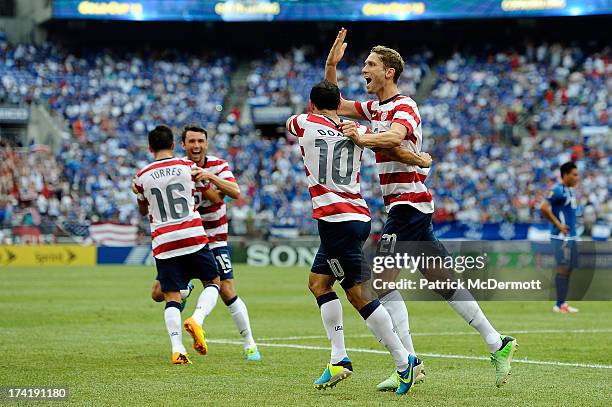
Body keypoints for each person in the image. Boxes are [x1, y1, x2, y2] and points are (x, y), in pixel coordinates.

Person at [326, 28, 517, 389]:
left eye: (370, 64)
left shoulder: (405, 105)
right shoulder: (374, 108)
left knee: (379, 283)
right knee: (444, 283)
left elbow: (396, 138)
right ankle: (498, 342)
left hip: (408, 206)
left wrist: (362, 137)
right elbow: (333, 104)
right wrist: (330, 65)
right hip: (410, 207)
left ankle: (409, 363)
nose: (363, 69)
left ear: (389, 72)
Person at [287, 79, 430, 395]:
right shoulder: (357, 130)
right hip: (356, 215)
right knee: (318, 283)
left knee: (358, 294)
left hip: (335, 219)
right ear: (339, 104)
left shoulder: (303, 122)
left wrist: (330, 71)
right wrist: (421, 160)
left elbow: (293, 122)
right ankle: (339, 359)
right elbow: (391, 146)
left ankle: (404, 362)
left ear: (312, 104)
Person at [132, 124, 220, 364]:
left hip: (164, 241)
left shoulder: (141, 176)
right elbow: (213, 196)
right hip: (192, 234)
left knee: (171, 297)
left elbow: (142, 209)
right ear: (173, 145)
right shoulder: (187, 167)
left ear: (150, 148)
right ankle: (197, 319)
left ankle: (178, 349)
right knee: (213, 282)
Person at [540, 161, 580, 313]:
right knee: (563, 268)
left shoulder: (570, 191)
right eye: (574, 175)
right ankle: (559, 304)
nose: (577, 178)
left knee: (569, 268)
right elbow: (543, 207)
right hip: (560, 237)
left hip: (570, 236)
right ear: (565, 175)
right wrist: (559, 225)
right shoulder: (557, 190)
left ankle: (562, 303)